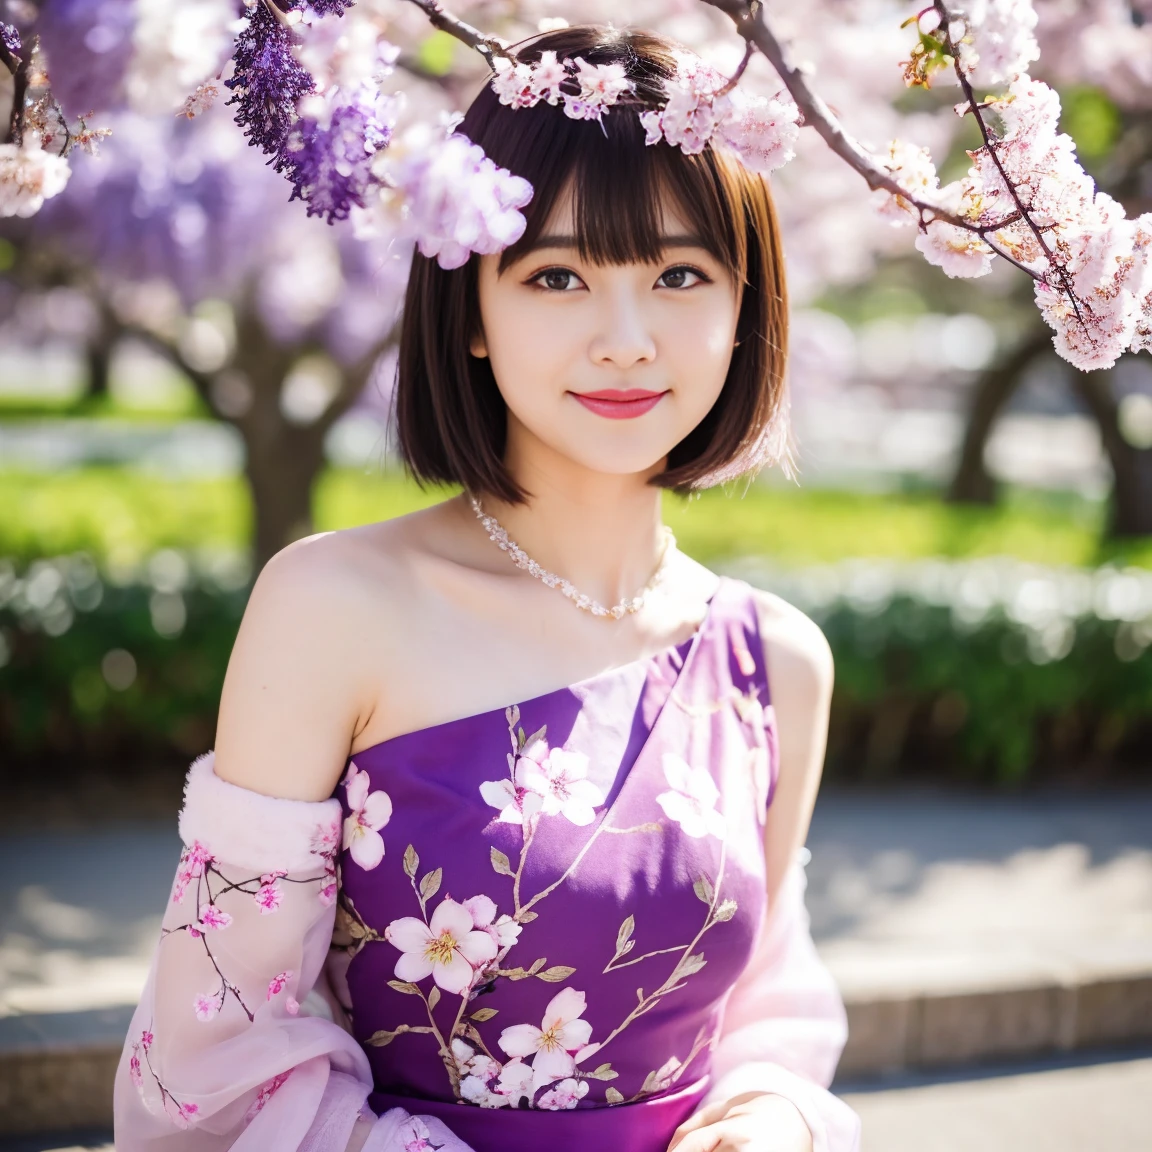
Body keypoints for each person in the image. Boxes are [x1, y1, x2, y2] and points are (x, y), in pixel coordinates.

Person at [113, 23, 862, 1152]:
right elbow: (212, 1059)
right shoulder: (332, 609)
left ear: (744, 306)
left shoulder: (775, 661)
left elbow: (766, 998)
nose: (625, 339)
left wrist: (768, 1119)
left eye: (678, 274)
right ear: (468, 307)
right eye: (556, 274)